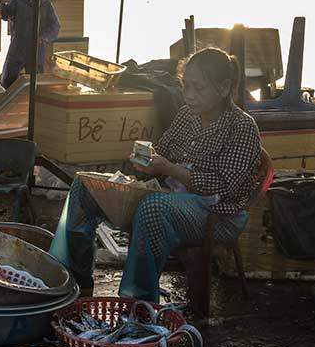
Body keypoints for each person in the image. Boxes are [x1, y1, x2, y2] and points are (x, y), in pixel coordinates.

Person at [49, 47, 262, 300]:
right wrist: (145, 160)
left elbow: (225, 189)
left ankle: (138, 302)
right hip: (170, 196)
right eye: (185, 86)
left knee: (153, 207)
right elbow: (163, 150)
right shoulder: (186, 115)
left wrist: (171, 169)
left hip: (216, 213)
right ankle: (77, 280)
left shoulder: (242, 127)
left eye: (199, 88)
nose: (189, 95)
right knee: (85, 185)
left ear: (224, 87)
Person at [0, 0, 60, 88]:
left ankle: (34, 102)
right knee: (8, 79)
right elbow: (4, 15)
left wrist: (43, 37)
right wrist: (2, 5)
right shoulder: (17, 1)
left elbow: (54, 26)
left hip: (36, 48)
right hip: (17, 46)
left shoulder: (46, 4)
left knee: (35, 82)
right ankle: (7, 102)